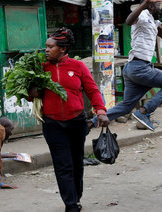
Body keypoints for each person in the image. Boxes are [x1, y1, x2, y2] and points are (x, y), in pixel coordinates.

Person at [27, 27, 110, 212]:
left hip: (76, 123)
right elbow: (30, 95)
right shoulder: (40, 68)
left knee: (76, 162)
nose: (46, 50)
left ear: (63, 49)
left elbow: (92, 90)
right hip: (53, 124)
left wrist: (101, 111)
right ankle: (70, 205)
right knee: (63, 165)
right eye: (46, 47)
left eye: (50, 47)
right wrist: (32, 92)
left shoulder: (77, 67)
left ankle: (76, 197)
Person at [89, 0, 162, 131]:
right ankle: (144, 112)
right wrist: (145, 2)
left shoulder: (151, 20)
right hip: (140, 68)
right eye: (158, 5)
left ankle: (90, 123)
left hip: (133, 68)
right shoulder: (143, 15)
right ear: (150, 5)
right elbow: (129, 21)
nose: (160, 8)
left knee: (126, 106)